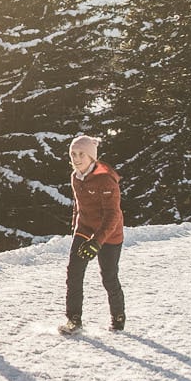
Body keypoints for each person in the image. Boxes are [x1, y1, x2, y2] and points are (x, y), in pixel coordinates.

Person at [60, 134, 126, 335]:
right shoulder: (74, 177)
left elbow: (112, 215)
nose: (76, 158)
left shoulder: (106, 180)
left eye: (81, 154)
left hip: (109, 234)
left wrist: (97, 242)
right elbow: (78, 207)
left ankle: (118, 316)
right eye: (73, 154)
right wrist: (76, 230)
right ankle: (74, 319)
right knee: (74, 273)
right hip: (85, 229)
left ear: (91, 157)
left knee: (108, 276)